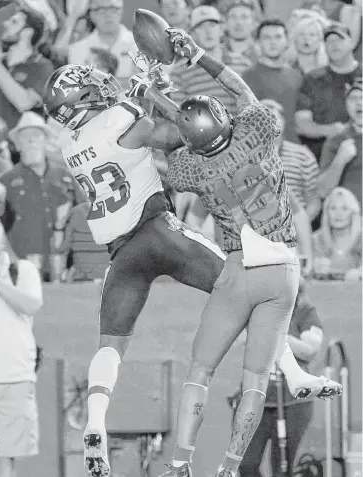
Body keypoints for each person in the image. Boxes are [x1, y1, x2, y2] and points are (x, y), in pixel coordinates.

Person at [42, 62, 341, 477]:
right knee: (246, 291)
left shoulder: (65, 140)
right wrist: (154, 91)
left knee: (110, 344)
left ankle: (95, 421)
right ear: (84, 96)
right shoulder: (119, 118)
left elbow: (119, 136)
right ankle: (292, 372)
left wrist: (140, 94)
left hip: (121, 254)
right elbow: (181, 135)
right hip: (160, 231)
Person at [126, 27, 342, 477]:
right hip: (283, 267)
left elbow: (176, 139)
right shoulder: (260, 131)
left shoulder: (192, 167)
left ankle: (181, 464)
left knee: (199, 371)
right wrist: (200, 56)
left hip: (239, 268)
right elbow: (239, 91)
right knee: (256, 383)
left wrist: (149, 95)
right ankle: (228, 469)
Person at [228, 277, 323, 477]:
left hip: (292, 404)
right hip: (256, 400)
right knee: (245, 464)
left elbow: (310, 349)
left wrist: (280, 335)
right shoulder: (254, 312)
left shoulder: (305, 313)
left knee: (282, 466)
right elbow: (237, 338)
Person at [0, 112, 85, 280]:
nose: (31, 141)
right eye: (25, 137)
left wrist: (82, 262)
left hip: (63, 274)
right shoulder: (5, 183)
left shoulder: (66, 178)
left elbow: (87, 221)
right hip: (21, 275)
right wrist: (13, 263)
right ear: (17, 145)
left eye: (36, 135)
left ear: (45, 140)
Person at [0, 218, 43, 477]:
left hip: (13, 378)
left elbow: (32, 305)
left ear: (3, 239)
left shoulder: (22, 270)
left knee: (6, 457)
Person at [295, 22, 362, 161]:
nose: (334, 44)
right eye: (329, 41)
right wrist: (331, 130)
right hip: (321, 159)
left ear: (352, 43)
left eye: (339, 39)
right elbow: (301, 125)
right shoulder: (312, 79)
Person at [260, 99, 321, 222]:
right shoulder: (242, 158)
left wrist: (301, 226)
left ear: (283, 122)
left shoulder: (303, 155)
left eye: (274, 119)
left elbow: (314, 200)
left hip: (296, 232)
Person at [242, 19, 302, 143]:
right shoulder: (248, 77)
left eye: (278, 37)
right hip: (261, 150)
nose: (273, 42)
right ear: (257, 42)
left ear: (287, 42)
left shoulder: (297, 76)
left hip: (294, 150)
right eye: (267, 37)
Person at [0, 4, 54, 131]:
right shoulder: (1, 61)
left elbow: (24, 103)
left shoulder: (42, 66)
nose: (5, 24)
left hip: (21, 146)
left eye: (14, 22)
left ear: (28, 32)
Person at [317, 78, 362, 205]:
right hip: (351, 219)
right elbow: (322, 191)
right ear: (346, 105)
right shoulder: (336, 141)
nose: (359, 103)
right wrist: (340, 159)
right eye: (353, 99)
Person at [312, 187, 362, 281]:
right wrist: (314, 268)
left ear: (353, 213)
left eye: (344, 208)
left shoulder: (361, 238)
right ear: (327, 213)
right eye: (333, 208)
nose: (338, 214)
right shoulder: (316, 239)